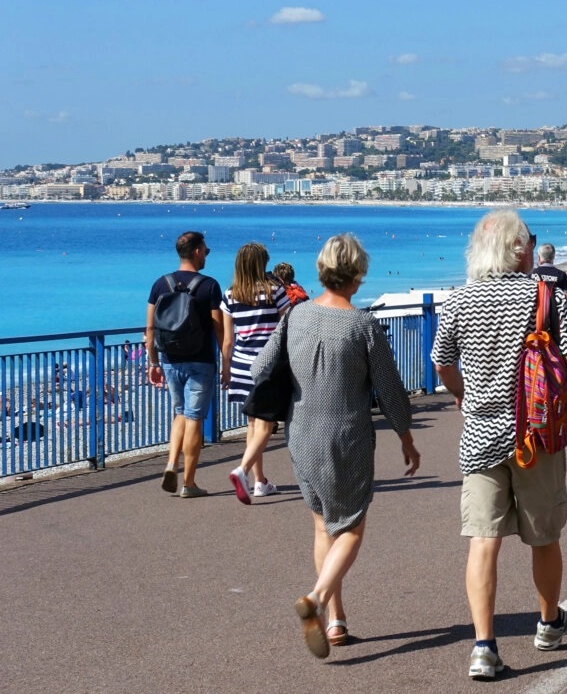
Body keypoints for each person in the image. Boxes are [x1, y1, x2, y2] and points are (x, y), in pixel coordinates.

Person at [430, 209, 567, 680]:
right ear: (521, 250)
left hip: (480, 435)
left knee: (483, 541)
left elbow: (440, 362)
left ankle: (484, 647)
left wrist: (463, 395)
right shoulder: (545, 294)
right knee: (544, 536)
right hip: (536, 434)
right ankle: (548, 624)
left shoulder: (458, 301)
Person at [254, 233, 420, 658]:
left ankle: (336, 622)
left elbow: (260, 368)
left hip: (301, 435)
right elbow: (390, 390)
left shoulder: (296, 315)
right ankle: (317, 598)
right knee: (351, 526)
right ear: (358, 275)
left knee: (321, 525)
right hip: (346, 437)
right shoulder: (363, 325)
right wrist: (406, 437)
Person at [145, 231, 224, 498]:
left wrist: (152, 362)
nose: (207, 255)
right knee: (194, 418)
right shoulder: (209, 285)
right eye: (206, 250)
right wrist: (226, 361)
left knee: (179, 412)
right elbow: (218, 329)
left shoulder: (160, 284)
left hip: (169, 359)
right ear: (197, 251)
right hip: (200, 361)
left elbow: (150, 328)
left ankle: (170, 463)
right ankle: (189, 483)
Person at [222, 242, 291, 504]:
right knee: (267, 424)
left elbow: (229, 339)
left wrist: (226, 367)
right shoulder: (275, 292)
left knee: (253, 423)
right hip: (268, 364)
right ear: (262, 263)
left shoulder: (230, 295)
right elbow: (287, 328)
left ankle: (260, 481)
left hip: (240, 364)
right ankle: (242, 471)